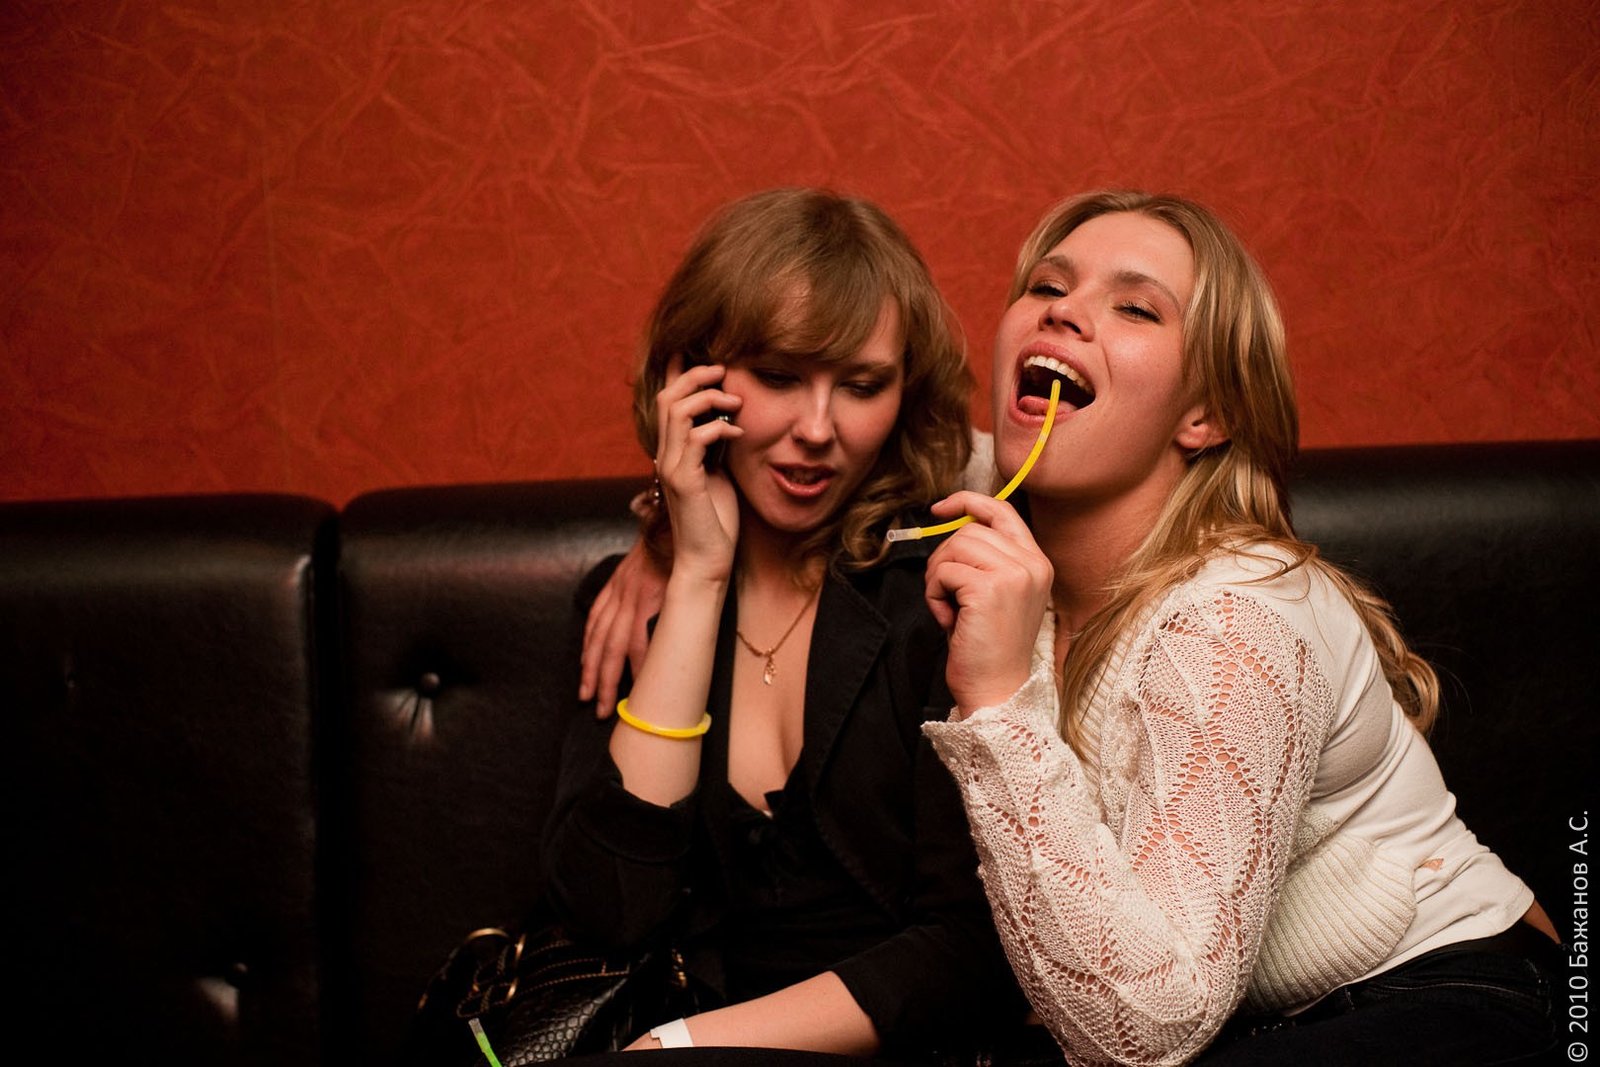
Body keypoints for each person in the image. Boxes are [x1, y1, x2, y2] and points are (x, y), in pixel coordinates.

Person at [917, 190, 1560, 1065]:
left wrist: (997, 704)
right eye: (1046, 287)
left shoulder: (1231, 622)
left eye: (1136, 307)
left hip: (1457, 995)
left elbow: (1148, 1030)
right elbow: (861, 427)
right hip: (1255, 1028)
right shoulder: (1001, 509)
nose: (1064, 311)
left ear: (1205, 415)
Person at [544, 187, 1026, 1060]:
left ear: (904, 393)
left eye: (862, 386)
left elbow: (973, 951)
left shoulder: (939, 596)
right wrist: (696, 572)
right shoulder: (636, 600)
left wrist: (684, 1047)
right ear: (691, 379)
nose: (817, 429)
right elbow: (612, 908)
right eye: (778, 376)